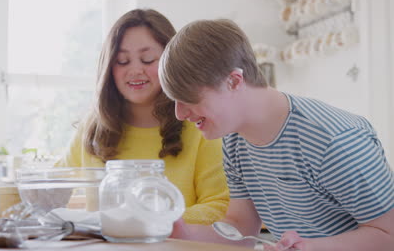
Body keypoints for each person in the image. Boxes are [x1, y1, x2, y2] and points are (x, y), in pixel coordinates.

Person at [158, 18, 394, 250]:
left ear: (233, 81)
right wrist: (184, 232)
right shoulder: (234, 140)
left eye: (188, 99)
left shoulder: (334, 140)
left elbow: (389, 234)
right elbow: (241, 228)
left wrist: (308, 247)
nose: (179, 114)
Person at [57, 9, 229, 226]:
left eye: (147, 60)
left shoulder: (200, 127)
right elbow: (50, 188)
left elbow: (220, 206)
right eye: (122, 61)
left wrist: (149, 221)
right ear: (109, 68)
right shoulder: (92, 130)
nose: (135, 70)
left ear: (171, 63)